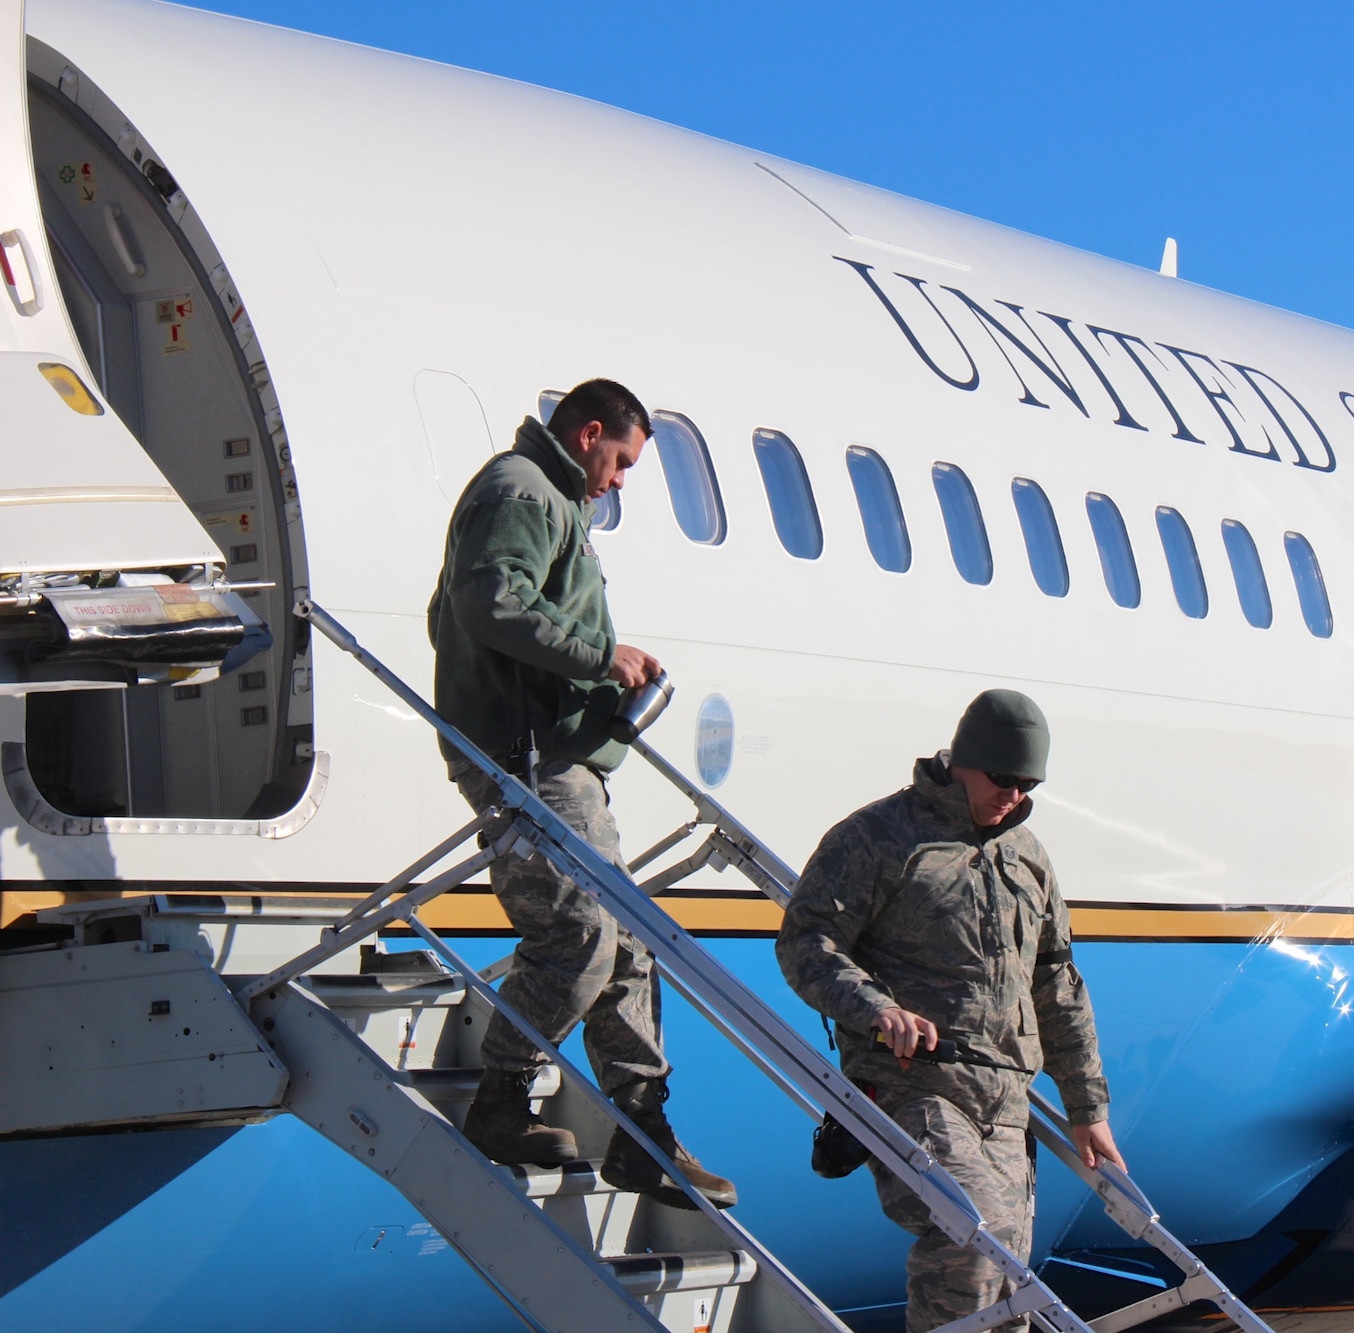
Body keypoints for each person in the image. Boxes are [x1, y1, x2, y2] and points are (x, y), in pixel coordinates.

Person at [427, 377, 735, 1210]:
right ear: (589, 431)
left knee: (629, 940)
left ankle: (641, 1131)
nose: (620, 480)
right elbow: (489, 602)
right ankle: (500, 1101)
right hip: (526, 758)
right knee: (582, 934)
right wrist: (602, 657)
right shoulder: (521, 489)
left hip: (563, 757)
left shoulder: (554, 501)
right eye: (622, 460)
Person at [777, 689, 1121, 1332]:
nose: (1014, 796)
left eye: (1028, 784)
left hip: (1005, 1100)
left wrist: (1087, 1107)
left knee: (1008, 1288)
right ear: (963, 760)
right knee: (970, 1237)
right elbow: (806, 940)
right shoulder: (879, 838)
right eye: (1003, 779)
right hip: (917, 1086)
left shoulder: (1029, 859)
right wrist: (874, 1008)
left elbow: (1057, 984)